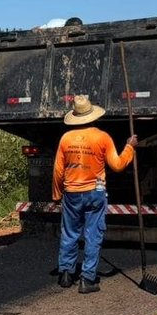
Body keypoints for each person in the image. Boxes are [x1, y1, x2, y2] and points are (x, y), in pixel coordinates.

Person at [52, 95, 136, 293]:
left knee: (69, 233)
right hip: (95, 193)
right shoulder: (102, 137)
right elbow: (117, 165)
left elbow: (57, 170)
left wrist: (57, 195)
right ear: (93, 116)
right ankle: (87, 279)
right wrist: (130, 147)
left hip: (71, 193)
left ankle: (65, 273)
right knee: (93, 235)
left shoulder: (66, 138)